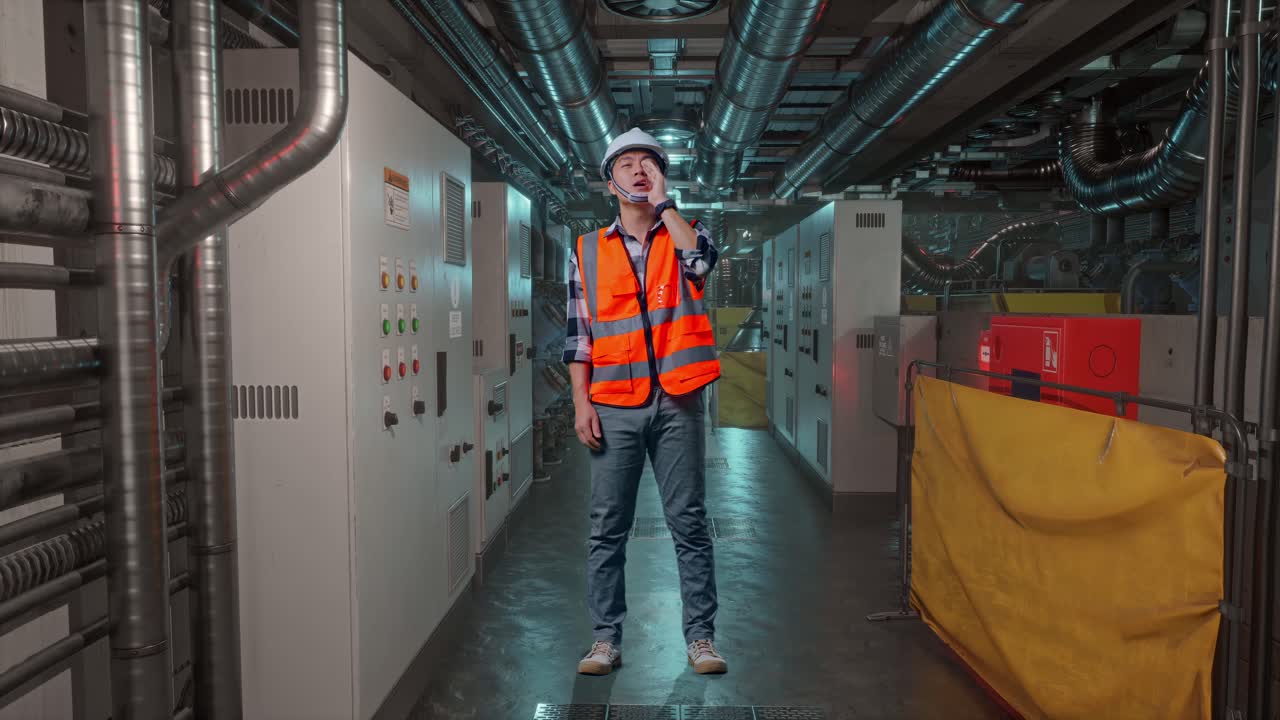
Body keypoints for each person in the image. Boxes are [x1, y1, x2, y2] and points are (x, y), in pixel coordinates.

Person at [563, 127, 726, 677]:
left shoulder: (685, 233)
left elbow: (701, 264)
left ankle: (701, 638)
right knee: (607, 527)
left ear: (660, 175)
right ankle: (604, 640)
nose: (638, 170)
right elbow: (579, 337)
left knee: (689, 522)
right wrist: (581, 403)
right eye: (627, 163)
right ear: (610, 181)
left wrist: (665, 205)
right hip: (614, 403)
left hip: (678, 401)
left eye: (648, 163)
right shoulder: (586, 250)